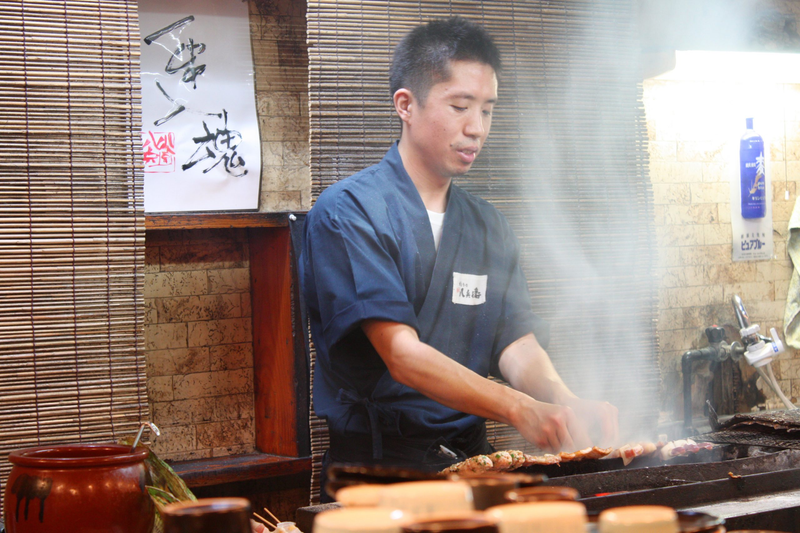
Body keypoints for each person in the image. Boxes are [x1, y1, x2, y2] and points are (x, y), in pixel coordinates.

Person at [300, 16, 618, 493]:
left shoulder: (487, 225)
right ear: (406, 105)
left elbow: (515, 343)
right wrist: (518, 407)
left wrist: (564, 399)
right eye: (460, 106)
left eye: (488, 110)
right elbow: (402, 355)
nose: (476, 128)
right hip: (377, 477)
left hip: (475, 470)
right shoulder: (349, 212)